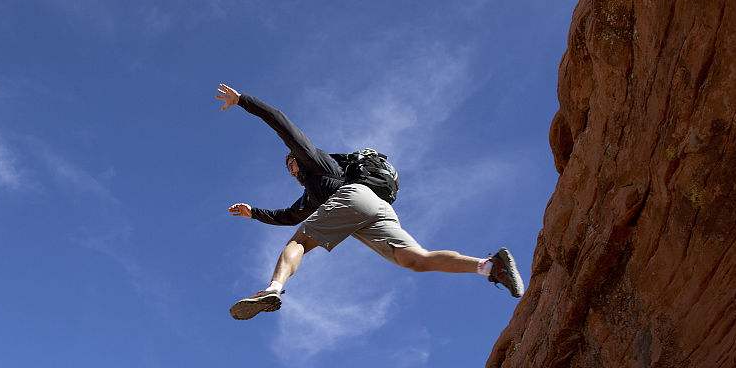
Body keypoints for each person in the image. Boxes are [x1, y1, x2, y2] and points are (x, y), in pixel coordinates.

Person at [215, 83, 524, 320]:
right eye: (289, 166)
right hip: (374, 210)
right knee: (415, 259)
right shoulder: (311, 194)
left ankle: (272, 289)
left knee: (296, 245)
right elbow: (290, 215)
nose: (290, 167)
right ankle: (489, 266)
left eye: (291, 162)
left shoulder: (317, 162)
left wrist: (243, 100)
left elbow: (281, 123)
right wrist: (254, 212)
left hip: (353, 198)